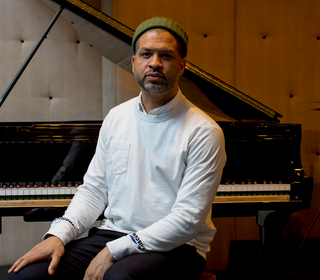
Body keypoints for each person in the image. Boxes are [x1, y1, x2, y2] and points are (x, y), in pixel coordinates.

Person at [8, 16, 226, 280]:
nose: (154, 63)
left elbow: (186, 221)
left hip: (178, 247)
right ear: (134, 63)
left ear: (181, 66)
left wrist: (114, 251)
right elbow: (93, 192)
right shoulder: (116, 117)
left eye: (165, 56)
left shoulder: (204, 131)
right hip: (112, 233)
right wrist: (58, 235)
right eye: (146, 54)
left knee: (118, 279)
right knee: (27, 277)